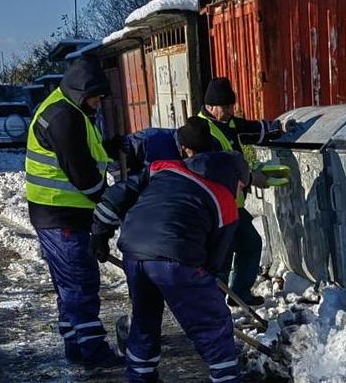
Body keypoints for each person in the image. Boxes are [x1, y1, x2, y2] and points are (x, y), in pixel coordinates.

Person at [90, 117, 250, 383]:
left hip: (134, 251)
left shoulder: (162, 167)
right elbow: (213, 261)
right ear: (235, 178)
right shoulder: (224, 200)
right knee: (212, 324)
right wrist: (199, 282)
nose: (240, 191)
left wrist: (99, 232)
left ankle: (140, 377)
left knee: (144, 319)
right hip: (176, 260)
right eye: (243, 186)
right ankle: (227, 378)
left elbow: (118, 193)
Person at [24, 56, 124, 368]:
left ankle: (75, 346)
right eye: (95, 97)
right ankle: (94, 350)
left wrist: (112, 148)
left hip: (60, 213)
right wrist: (110, 205)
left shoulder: (70, 108)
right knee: (80, 282)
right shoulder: (62, 118)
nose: (98, 103)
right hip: (60, 215)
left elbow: (89, 153)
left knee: (68, 285)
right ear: (82, 92)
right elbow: (83, 175)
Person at [198, 77, 293, 305]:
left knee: (250, 244)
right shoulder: (203, 131)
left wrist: (278, 128)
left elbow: (252, 129)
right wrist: (249, 178)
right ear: (211, 107)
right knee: (222, 254)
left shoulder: (227, 123)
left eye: (231, 106)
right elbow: (211, 171)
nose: (231, 111)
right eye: (225, 107)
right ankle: (213, 301)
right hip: (216, 206)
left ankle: (239, 294)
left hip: (234, 205)